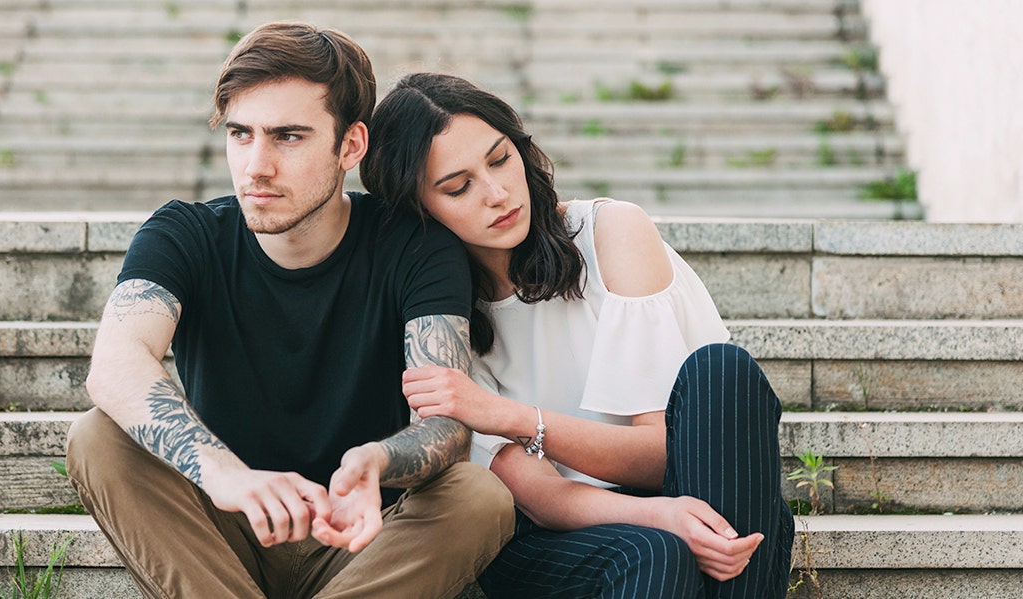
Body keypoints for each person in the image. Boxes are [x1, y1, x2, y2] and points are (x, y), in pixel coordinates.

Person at [64, 26, 514, 599]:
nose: (256, 166)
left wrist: (377, 462)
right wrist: (227, 476)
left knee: (478, 497)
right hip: (224, 533)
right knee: (100, 437)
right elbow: (116, 364)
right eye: (241, 134)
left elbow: (446, 424)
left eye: (288, 137)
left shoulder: (414, 246)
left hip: (363, 539)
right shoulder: (185, 234)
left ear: (351, 146)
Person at [362, 72, 793, 599]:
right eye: (459, 186)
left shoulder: (610, 234)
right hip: (556, 540)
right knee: (652, 552)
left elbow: (661, 453)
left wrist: (510, 417)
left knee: (723, 373)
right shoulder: (436, 321)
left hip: (703, 498)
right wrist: (658, 519)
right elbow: (547, 498)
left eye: (500, 160)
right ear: (417, 211)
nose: (497, 194)